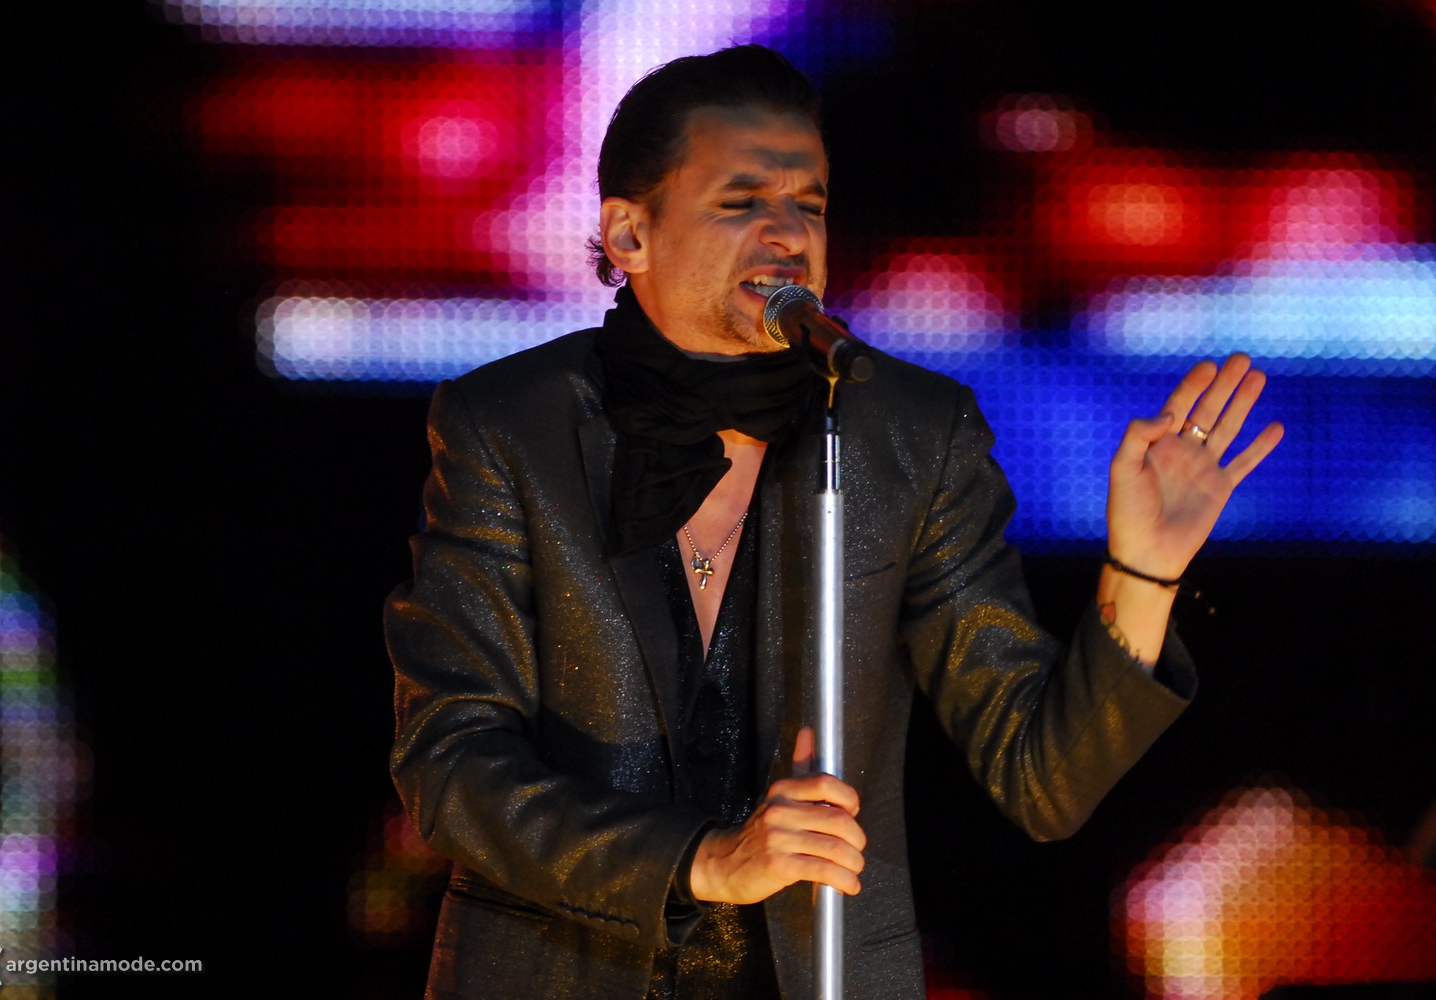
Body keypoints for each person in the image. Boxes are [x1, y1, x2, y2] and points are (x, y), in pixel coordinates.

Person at [385, 44, 1283, 999]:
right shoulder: (510, 424)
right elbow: (451, 761)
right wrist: (706, 861)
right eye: (741, 202)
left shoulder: (906, 433)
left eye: (808, 205)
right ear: (629, 233)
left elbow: (1042, 780)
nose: (787, 235)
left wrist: (1142, 574)